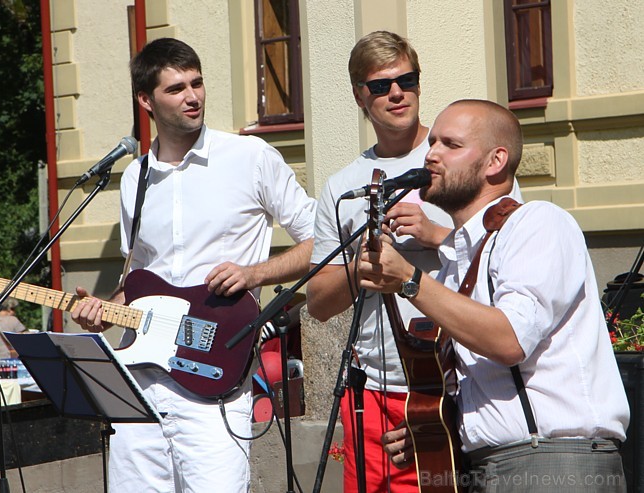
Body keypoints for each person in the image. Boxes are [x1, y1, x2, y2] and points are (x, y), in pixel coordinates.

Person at [70, 37, 316, 492]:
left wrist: (254, 273)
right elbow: (141, 280)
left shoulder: (250, 157)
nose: (192, 96)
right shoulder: (134, 179)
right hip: (141, 385)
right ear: (146, 100)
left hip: (215, 379)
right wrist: (104, 310)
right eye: (176, 88)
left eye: (197, 83)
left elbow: (321, 241)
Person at [360, 99, 629, 492]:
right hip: (487, 466)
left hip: (554, 461)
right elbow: (485, 377)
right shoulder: (458, 259)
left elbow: (509, 340)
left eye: (450, 145)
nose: (431, 154)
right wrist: (437, 425)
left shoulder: (537, 223)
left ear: (495, 161)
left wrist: (409, 280)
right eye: (432, 142)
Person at [306, 31, 452, 493]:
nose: (396, 92)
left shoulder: (458, 156)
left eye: (406, 80)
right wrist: (360, 265)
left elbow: (511, 251)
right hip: (372, 388)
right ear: (358, 96)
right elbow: (318, 302)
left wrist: (435, 235)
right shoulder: (342, 185)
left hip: (453, 383)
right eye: (380, 85)